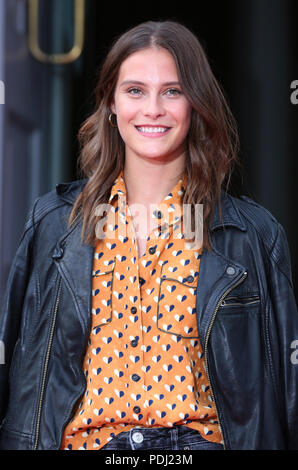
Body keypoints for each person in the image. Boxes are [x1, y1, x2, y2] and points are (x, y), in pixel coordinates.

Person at [0, 20, 297, 451]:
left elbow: (286, 393)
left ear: (196, 104)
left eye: (172, 91)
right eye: (135, 91)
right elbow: (17, 372)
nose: (153, 109)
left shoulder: (253, 234)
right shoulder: (52, 225)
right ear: (111, 104)